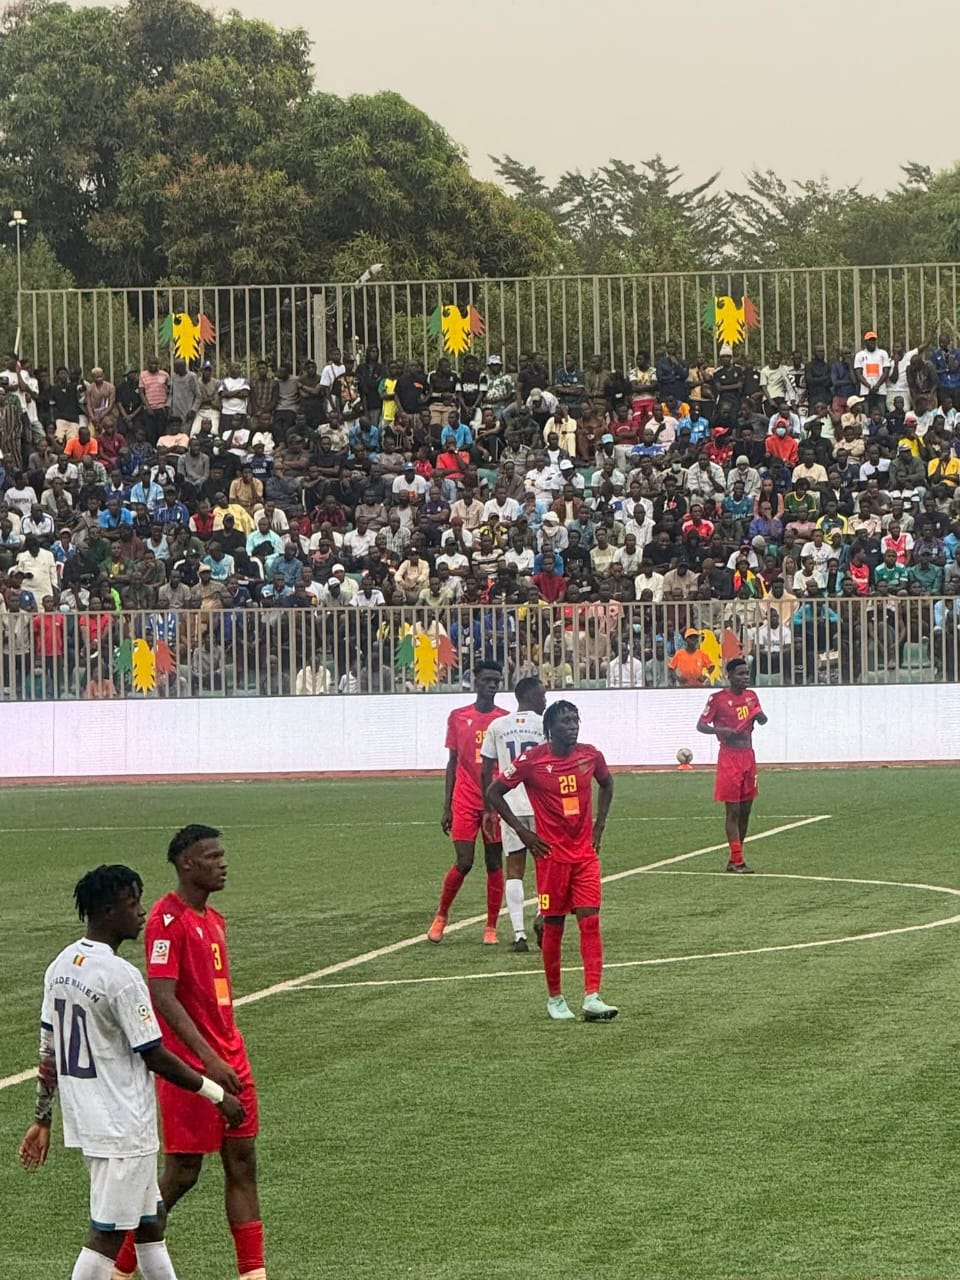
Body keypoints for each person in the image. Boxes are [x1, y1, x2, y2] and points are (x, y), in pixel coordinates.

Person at [18, 864, 243, 1280]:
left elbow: (48, 1050)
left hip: (91, 1122)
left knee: (150, 1224)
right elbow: (154, 1054)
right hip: (123, 1126)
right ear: (107, 912)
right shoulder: (121, 977)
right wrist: (217, 1095)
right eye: (132, 903)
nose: (142, 912)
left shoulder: (60, 966)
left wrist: (42, 1118)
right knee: (106, 1236)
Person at [113, 827, 266, 1280]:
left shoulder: (214, 919)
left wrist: (226, 1056)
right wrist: (209, 1060)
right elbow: (162, 995)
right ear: (186, 863)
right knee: (182, 1173)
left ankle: (253, 1274)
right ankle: (118, 1267)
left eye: (222, 854)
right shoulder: (166, 919)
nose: (223, 863)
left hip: (232, 1059)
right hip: (192, 1068)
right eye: (211, 856)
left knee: (242, 1163)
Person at [486, 699, 617, 1022]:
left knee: (590, 921)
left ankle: (592, 996)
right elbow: (493, 792)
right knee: (554, 926)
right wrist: (523, 833)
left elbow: (607, 782)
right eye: (565, 721)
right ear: (550, 728)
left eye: (575, 720)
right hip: (551, 858)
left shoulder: (590, 755)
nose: (572, 726)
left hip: (584, 856)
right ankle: (555, 998)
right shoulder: (532, 760)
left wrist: (599, 826)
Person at [427, 661, 508, 946]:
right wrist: (447, 805)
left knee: (494, 861)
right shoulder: (458, 717)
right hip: (464, 799)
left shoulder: (504, 720)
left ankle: (491, 926)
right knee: (464, 861)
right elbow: (452, 762)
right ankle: (441, 916)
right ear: (475, 681)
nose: (492, 685)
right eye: (487, 680)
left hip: (493, 801)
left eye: (496, 680)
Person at [479, 676, 547, 952]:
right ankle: (543, 916)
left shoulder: (498, 726)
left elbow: (486, 769)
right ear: (530, 696)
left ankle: (519, 935)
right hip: (541, 806)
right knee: (545, 865)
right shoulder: (544, 724)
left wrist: (488, 808)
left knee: (514, 870)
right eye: (542, 696)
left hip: (510, 807)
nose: (545, 701)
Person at [696, 658, 768, 873]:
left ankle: (735, 857)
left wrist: (759, 715)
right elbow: (701, 725)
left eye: (747, 673)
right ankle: (737, 860)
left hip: (748, 756)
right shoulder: (718, 699)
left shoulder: (751, 696)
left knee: (746, 809)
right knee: (733, 810)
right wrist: (721, 731)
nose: (745, 677)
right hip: (729, 757)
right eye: (740, 674)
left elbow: (762, 719)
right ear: (729, 676)